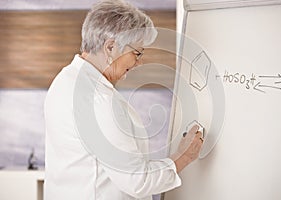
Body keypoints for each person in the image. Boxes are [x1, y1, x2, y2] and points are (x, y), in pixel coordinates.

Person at [44, 0, 204, 199]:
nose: (139, 62)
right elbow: (138, 181)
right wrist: (183, 156)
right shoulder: (98, 101)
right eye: (137, 53)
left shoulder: (65, 80)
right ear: (110, 47)